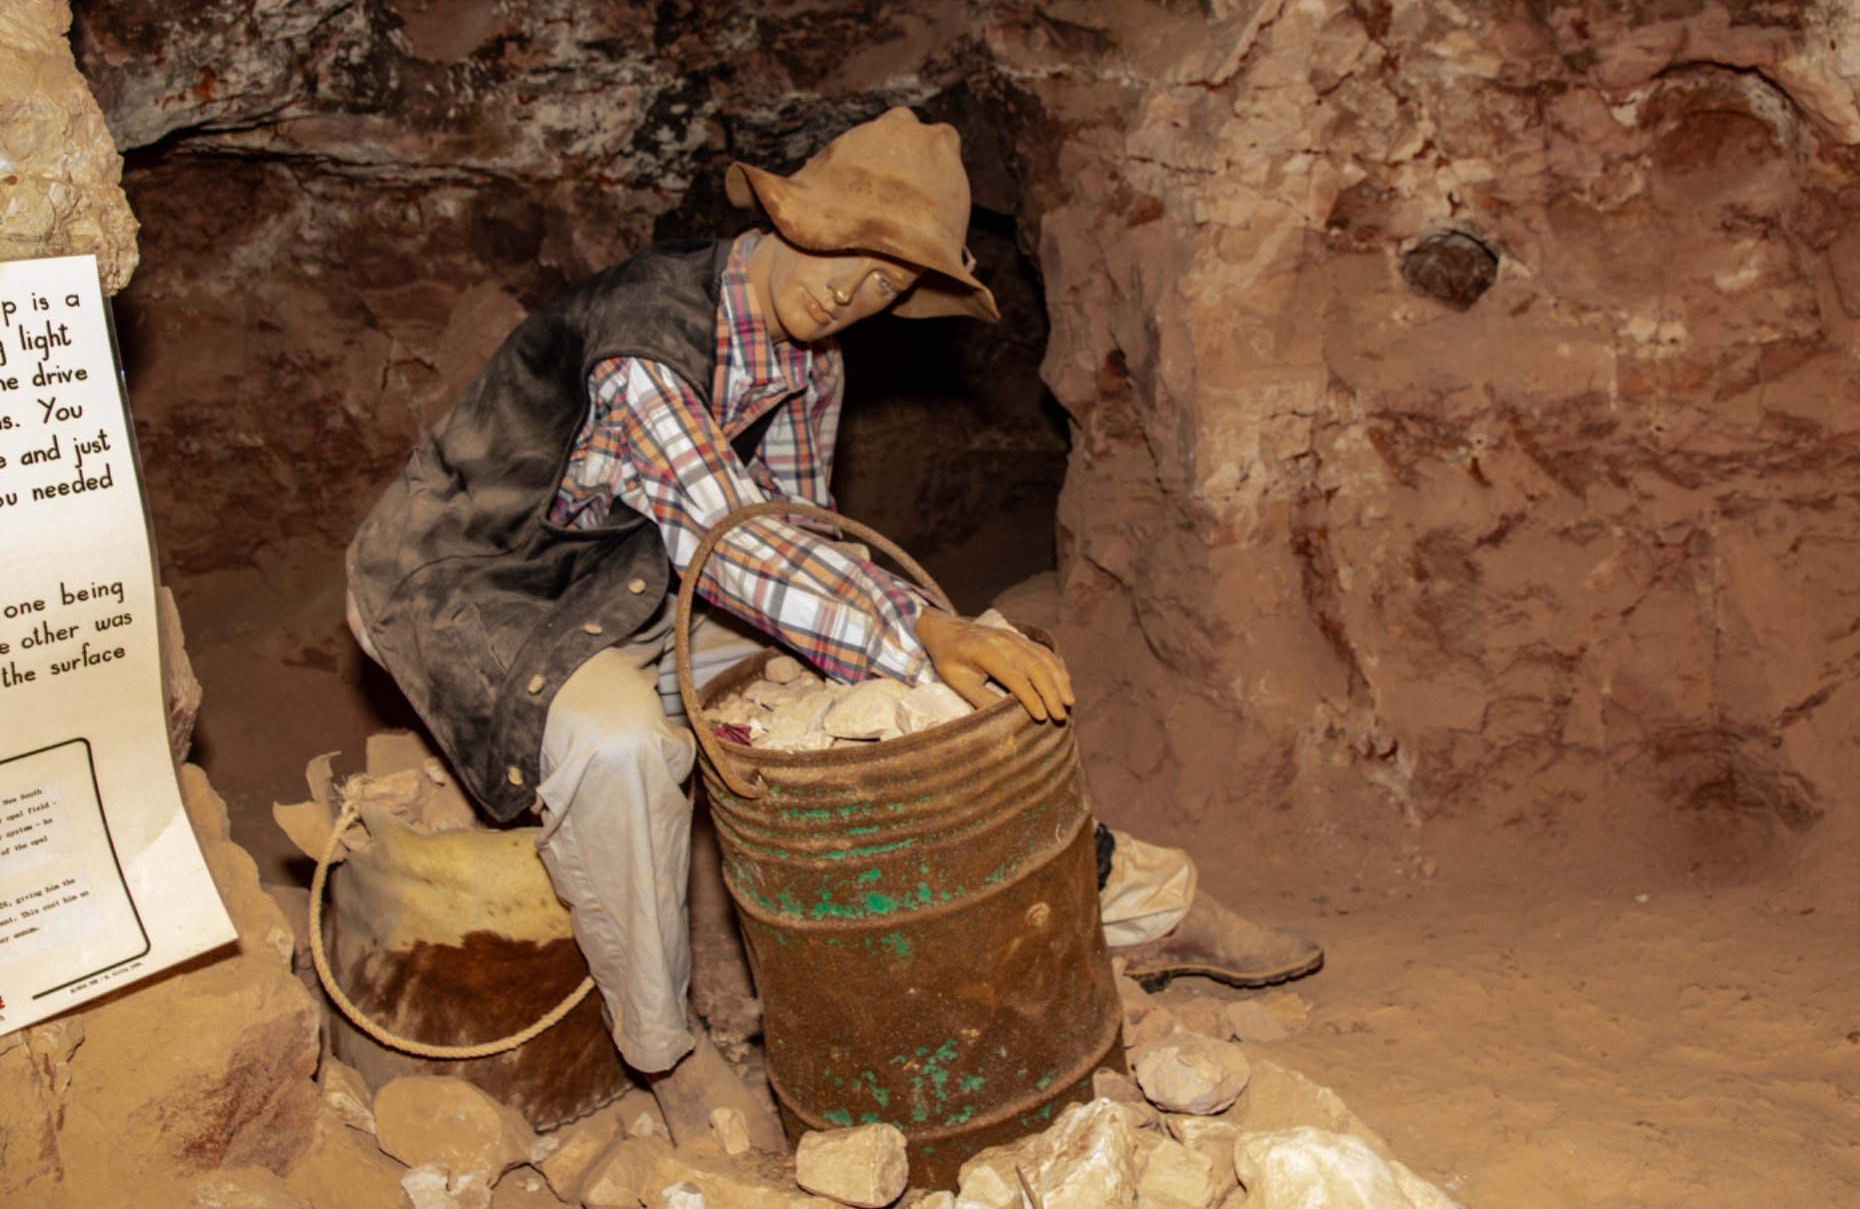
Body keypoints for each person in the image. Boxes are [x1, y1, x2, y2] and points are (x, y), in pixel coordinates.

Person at [346, 108, 1320, 1139]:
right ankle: (663, 1052)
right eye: (850, 252)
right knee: (622, 741)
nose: (856, 293)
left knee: (900, 662)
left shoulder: (811, 363)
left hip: (628, 577)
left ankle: (1138, 902)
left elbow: (804, 539)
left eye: (889, 283)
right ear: (791, 214)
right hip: (469, 588)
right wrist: (915, 630)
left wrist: (928, 645)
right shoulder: (647, 333)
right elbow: (733, 540)